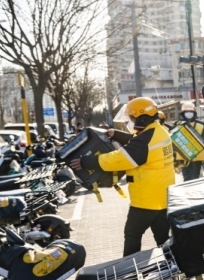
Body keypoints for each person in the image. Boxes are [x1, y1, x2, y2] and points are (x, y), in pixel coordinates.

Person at [70, 97, 175, 257]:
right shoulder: (158, 131)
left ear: (142, 117)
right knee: (162, 237)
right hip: (163, 196)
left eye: (132, 118)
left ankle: (130, 275)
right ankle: (173, 268)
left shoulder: (146, 139)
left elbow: (119, 159)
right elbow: (139, 143)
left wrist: (87, 161)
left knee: (132, 234)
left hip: (146, 199)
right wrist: (117, 135)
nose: (130, 121)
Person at [175, 101, 204, 181]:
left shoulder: (202, 125)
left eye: (190, 112)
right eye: (186, 112)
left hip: (197, 157)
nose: (188, 113)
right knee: (187, 178)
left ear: (194, 112)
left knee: (195, 177)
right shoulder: (177, 124)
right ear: (183, 113)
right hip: (184, 157)